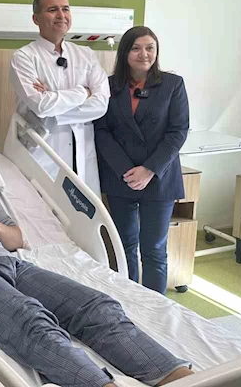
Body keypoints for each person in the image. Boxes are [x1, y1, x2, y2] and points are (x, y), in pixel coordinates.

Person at [0, 122, 194, 387]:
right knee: (29, 320)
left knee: (97, 307)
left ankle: (177, 377)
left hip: (9, 262)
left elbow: (16, 237)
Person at [94, 27, 189, 294]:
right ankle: (128, 303)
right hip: (121, 176)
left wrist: (149, 169)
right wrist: (126, 170)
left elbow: (178, 132)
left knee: (154, 249)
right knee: (123, 246)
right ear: (125, 52)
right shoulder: (108, 86)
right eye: (136, 48)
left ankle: (155, 308)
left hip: (159, 176)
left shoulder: (172, 85)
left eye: (150, 48)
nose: (143, 54)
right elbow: (101, 130)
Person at [4, 0, 110, 193]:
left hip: (81, 156)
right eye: (52, 10)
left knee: (82, 210)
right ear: (36, 19)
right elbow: (41, 106)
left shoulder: (86, 55)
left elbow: (101, 105)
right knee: (41, 209)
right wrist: (83, 92)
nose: (61, 15)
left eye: (65, 9)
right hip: (42, 154)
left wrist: (54, 101)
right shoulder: (24, 57)